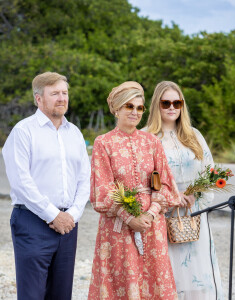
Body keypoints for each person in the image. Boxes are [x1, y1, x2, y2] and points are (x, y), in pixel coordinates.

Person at [88, 81, 181, 299]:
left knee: (153, 279)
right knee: (122, 279)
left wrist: (150, 213)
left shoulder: (152, 142)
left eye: (139, 108)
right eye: (129, 106)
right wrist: (129, 218)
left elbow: (165, 182)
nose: (135, 112)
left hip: (152, 224)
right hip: (119, 227)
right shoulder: (104, 143)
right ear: (117, 109)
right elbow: (103, 188)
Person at [2, 72, 90, 300]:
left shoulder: (75, 134)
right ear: (38, 99)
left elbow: (84, 179)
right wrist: (53, 215)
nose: (62, 98)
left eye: (64, 93)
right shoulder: (23, 132)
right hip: (32, 222)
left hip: (68, 225)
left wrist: (72, 215)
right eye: (54, 94)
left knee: (61, 295)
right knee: (32, 294)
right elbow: (21, 181)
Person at [145, 81, 224, 300]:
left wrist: (195, 194)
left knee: (197, 271)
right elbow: (144, 177)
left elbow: (210, 172)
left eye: (177, 102)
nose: (172, 107)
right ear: (156, 105)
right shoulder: (146, 137)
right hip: (160, 213)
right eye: (166, 102)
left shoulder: (194, 136)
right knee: (169, 271)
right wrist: (170, 197)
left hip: (193, 213)